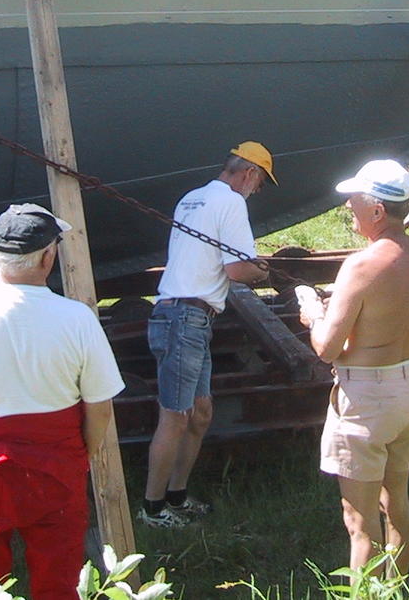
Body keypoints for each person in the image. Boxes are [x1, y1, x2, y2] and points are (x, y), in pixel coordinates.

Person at [0, 203, 124, 600]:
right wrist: (83, 453)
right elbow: (99, 406)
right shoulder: (77, 318)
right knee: (58, 578)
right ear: (48, 257)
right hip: (56, 465)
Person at [297, 159, 409, 578]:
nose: (349, 207)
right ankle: (395, 588)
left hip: (367, 400)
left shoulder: (361, 265)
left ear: (378, 211)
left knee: (360, 523)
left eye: (355, 200)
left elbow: (327, 348)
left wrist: (312, 312)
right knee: (396, 501)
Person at [139, 142, 276, 528]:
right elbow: (237, 270)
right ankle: (152, 508)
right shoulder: (232, 203)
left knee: (199, 413)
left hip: (181, 315)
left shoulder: (192, 199)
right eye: (261, 183)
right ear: (250, 174)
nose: (257, 191)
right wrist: (262, 270)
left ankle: (177, 496)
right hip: (188, 318)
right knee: (177, 415)